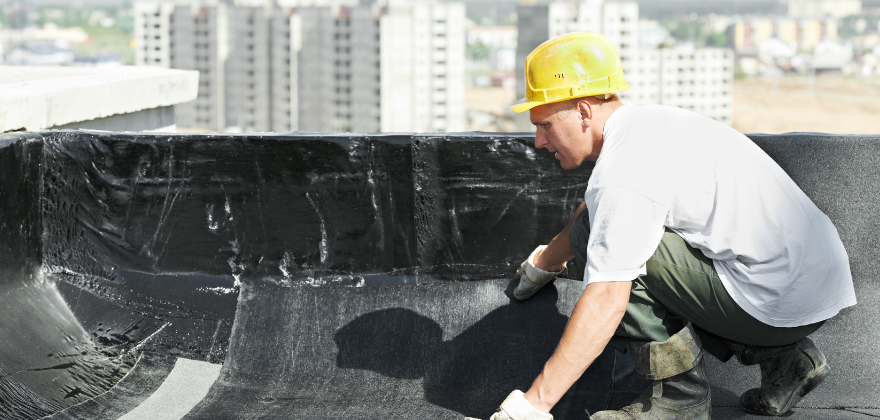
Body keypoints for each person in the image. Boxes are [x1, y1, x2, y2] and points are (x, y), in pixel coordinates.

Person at [487, 32, 856, 420]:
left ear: (582, 112)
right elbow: (600, 207)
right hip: (807, 286)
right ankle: (787, 362)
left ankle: (681, 401)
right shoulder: (650, 123)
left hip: (777, 303)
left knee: (616, 257)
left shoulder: (623, 171)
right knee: (605, 229)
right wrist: (546, 262)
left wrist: (533, 406)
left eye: (544, 124)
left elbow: (607, 298)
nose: (538, 140)